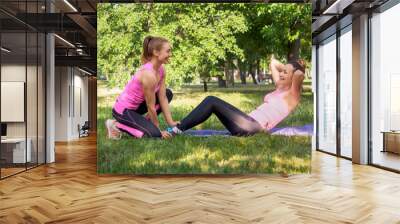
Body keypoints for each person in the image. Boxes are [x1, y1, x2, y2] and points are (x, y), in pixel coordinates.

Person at [169, 56, 305, 136]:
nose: (281, 74)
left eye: (285, 73)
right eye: (282, 72)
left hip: (253, 127)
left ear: (293, 77)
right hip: (247, 122)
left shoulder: (293, 96)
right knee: (212, 103)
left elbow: (299, 75)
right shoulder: (280, 87)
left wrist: (296, 67)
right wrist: (288, 68)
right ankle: (178, 129)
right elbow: (273, 63)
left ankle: (177, 130)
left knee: (211, 101)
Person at [105, 36, 179, 139]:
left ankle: (142, 125)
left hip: (137, 108)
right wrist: (157, 130)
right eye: (168, 51)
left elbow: (162, 98)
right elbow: (151, 106)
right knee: (154, 135)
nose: (170, 54)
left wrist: (171, 122)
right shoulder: (148, 75)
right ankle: (114, 124)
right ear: (156, 53)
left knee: (168, 93)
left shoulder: (161, 70)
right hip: (123, 111)